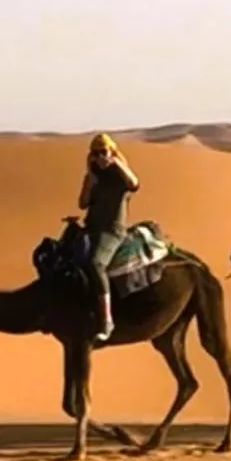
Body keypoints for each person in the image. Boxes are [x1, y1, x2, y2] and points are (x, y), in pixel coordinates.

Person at [73, 133, 140, 341]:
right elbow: (82, 204)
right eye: (96, 153)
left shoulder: (120, 176)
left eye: (104, 152)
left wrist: (117, 163)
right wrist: (90, 182)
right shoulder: (92, 176)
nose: (100, 157)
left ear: (112, 152)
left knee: (96, 264)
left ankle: (106, 320)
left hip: (112, 230)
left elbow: (134, 184)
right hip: (91, 226)